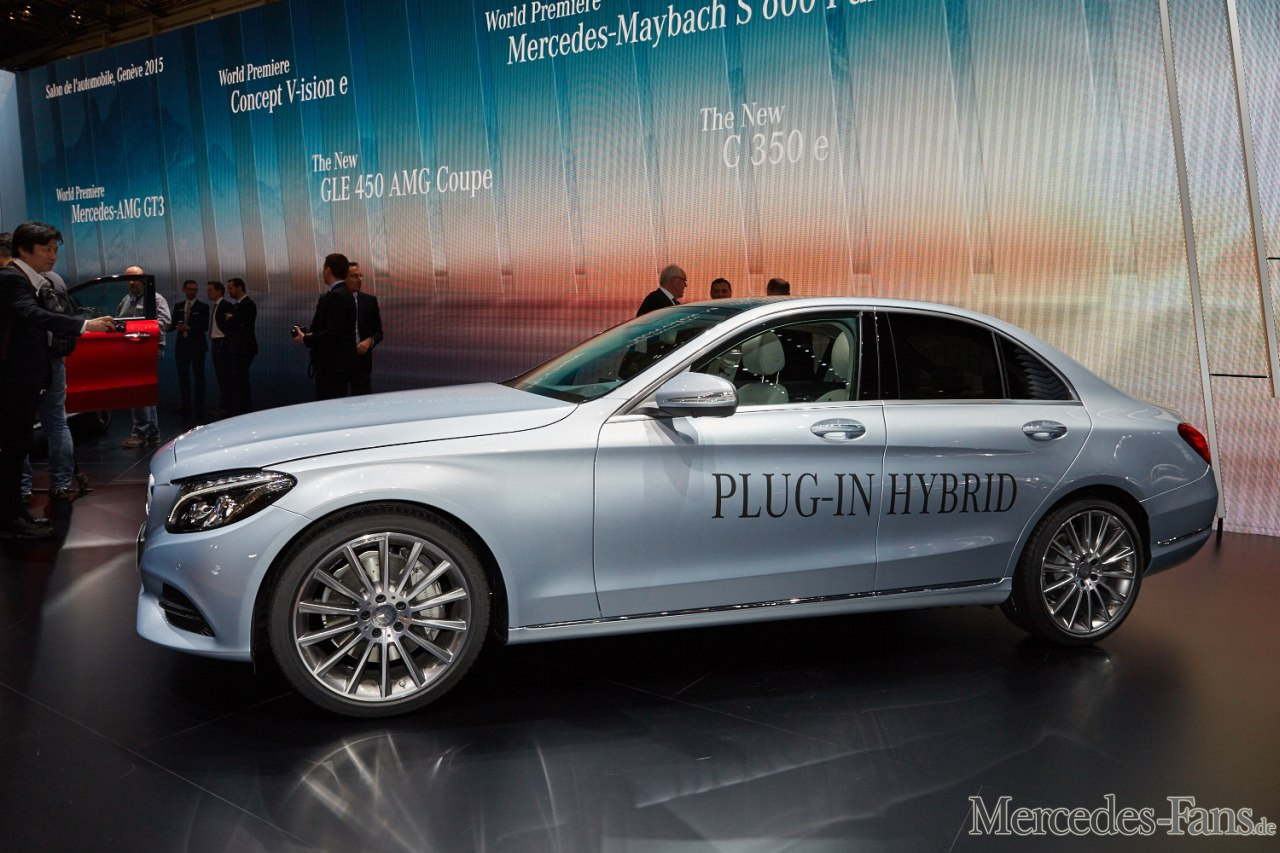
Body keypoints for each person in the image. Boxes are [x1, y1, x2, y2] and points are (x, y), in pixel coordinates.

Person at [0, 222, 115, 538]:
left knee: (18, 446)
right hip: (13, 378)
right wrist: (84, 325)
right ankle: (10, 519)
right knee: (13, 448)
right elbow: (32, 316)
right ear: (24, 250)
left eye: (55, 250)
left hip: (24, 376)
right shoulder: (11, 279)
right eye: (46, 249)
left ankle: (14, 514)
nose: (53, 256)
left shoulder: (29, 280)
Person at [19, 264, 81, 502]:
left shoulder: (12, 280)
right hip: (54, 358)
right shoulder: (55, 279)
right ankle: (61, 484)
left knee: (17, 424)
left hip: (22, 361)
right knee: (57, 422)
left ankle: (22, 486)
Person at [118, 266, 171, 448]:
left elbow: (164, 322)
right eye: (128, 279)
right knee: (144, 389)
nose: (131, 282)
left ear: (144, 279)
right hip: (131, 349)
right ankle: (152, 432)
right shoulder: (126, 300)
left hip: (149, 348)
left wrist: (142, 332)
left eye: (135, 279)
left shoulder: (156, 299)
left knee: (138, 388)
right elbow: (120, 321)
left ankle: (139, 432)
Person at [294, 253, 356, 400]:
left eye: (323, 268)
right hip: (337, 365)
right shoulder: (343, 293)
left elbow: (333, 332)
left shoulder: (336, 295)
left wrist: (306, 339)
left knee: (328, 402)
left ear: (328, 270)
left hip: (332, 366)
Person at [171, 279, 209, 424]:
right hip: (182, 346)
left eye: (195, 289)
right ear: (184, 290)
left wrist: (189, 328)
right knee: (183, 376)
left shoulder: (203, 307)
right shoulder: (178, 306)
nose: (193, 292)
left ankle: (199, 405)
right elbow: (173, 324)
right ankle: (185, 404)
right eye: (190, 289)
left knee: (199, 376)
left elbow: (204, 326)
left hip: (197, 346)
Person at [222, 277, 257, 415]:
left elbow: (235, 322)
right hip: (239, 347)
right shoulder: (238, 305)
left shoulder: (247, 304)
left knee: (241, 380)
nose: (229, 291)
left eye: (231, 288)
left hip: (243, 348)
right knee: (239, 379)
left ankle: (242, 410)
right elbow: (234, 322)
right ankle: (241, 408)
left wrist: (231, 319)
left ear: (239, 288)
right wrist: (232, 320)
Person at [348, 261, 383, 395]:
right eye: (354, 276)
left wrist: (369, 341)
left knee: (362, 399)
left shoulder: (370, 301)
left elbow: (378, 332)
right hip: (337, 364)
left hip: (361, 363)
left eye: (360, 276)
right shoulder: (331, 300)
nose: (359, 280)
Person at [207, 280, 232, 417]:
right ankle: (223, 405)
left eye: (210, 290)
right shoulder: (216, 305)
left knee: (224, 376)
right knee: (220, 375)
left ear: (219, 291)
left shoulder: (226, 305)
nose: (208, 293)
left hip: (222, 342)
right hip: (216, 342)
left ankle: (226, 407)